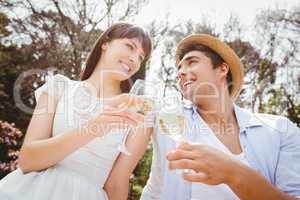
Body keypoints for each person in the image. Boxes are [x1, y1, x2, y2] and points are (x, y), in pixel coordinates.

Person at [0, 22, 152, 200]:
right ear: (105, 43)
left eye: (141, 57)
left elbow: (116, 184)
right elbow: (27, 160)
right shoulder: (59, 87)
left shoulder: (136, 115)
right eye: (130, 46)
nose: (135, 59)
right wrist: (94, 127)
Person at [141, 34, 300, 200]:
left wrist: (233, 173)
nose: (180, 72)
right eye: (179, 68)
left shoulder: (280, 130)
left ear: (223, 69)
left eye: (192, 62)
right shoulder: (168, 116)